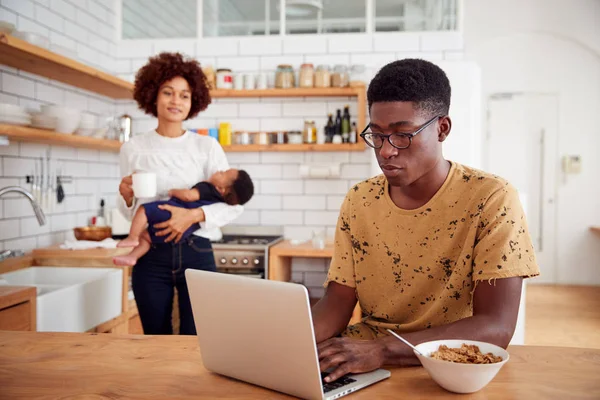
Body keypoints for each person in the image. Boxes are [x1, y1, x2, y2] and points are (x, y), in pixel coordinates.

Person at [312, 59, 540, 382]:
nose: (386, 151)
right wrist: (295, 339)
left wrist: (381, 350)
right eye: (376, 135)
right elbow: (337, 300)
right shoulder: (359, 200)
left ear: (442, 128)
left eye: (402, 135)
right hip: (364, 362)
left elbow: (496, 326)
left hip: (448, 367)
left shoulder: (492, 199)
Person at [118, 52, 243, 335]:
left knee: (199, 341)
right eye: (168, 92)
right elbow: (130, 212)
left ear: (194, 100)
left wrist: (192, 216)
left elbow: (234, 206)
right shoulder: (133, 148)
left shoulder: (207, 147)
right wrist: (126, 196)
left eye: (184, 95)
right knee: (154, 338)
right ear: (152, 95)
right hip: (150, 254)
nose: (176, 101)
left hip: (197, 251)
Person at [114, 169, 254, 267]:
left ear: (222, 189)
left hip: (172, 212)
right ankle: (132, 257)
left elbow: (188, 196)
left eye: (223, 173)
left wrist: (172, 191)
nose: (219, 171)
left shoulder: (207, 188)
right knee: (147, 237)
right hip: (186, 231)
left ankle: (132, 237)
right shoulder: (220, 201)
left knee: (143, 210)